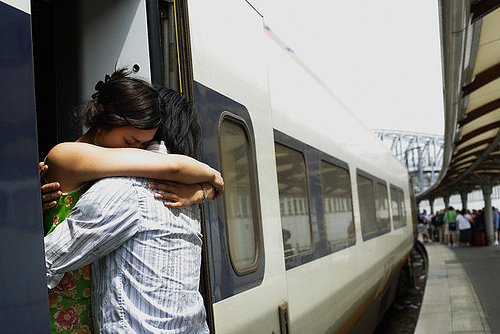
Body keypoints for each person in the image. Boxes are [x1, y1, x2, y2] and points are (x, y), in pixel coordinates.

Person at [41, 70, 223, 333]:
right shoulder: (68, 154)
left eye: (145, 144)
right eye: (132, 141)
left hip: (90, 302)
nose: (138, 151)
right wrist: (213, 178)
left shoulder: (114, 172)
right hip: (63, 296)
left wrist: (201, 190)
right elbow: (170, 166)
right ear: (102, 124)